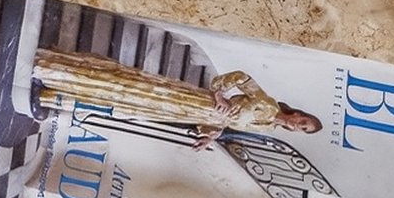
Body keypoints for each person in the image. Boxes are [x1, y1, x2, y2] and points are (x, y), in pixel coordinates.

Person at [31, 50, 322, 145]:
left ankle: (56, 92)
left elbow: (231, 121)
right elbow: (242, 79)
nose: (299, 127)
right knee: (136, 89)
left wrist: (212, 134)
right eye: (304, 122)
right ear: (299, 114)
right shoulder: (269, 106)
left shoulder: (268, 128)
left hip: (195, 116)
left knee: (130, 106)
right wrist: (219, 91)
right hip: (200, 102)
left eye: (304, 130)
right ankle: (59, 71)